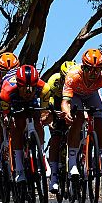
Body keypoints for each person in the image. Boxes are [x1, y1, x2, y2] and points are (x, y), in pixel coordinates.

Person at [62, 49, 102, 182]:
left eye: (97, 69)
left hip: (92, 94)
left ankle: (97, 158)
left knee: (101, 120)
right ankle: (72, 163)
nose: (94, 73)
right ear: (83, 67)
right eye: (90, 69)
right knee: (78, 118)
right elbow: (65, 102)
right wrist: (66, 112)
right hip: (75, 95)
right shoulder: (72, 75)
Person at [0, 64, 46, 184]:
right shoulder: (6, 91)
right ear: (19, 85)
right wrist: (6, 116)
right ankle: (19, 169)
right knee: (16, 125)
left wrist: (45, 113)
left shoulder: (44, 88)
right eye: (24, 87)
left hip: (32, 102)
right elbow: (6, 113)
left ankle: (41, 154)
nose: (28, 91)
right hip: (14, 101)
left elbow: (45, 109)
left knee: (38, 120)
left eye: (32, 87)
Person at [41, 60, 74, 193]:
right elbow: (48, 103)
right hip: (56, 104)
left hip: (71, 102)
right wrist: (52, 118)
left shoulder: (76, 80)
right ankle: (54, 176)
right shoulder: (53, 81)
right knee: (55, 137)